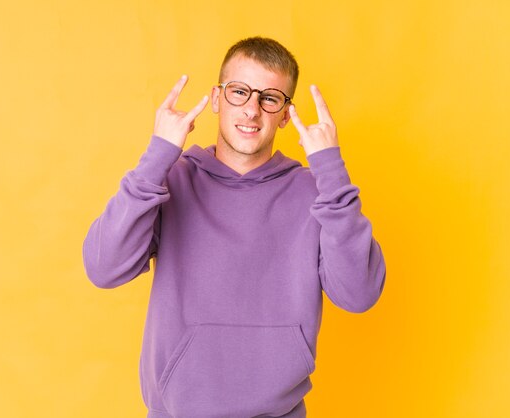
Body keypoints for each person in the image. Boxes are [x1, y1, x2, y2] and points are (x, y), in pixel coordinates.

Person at [83, 36, 386, 418]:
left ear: (285, 113)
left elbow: (359, 294)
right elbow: (104, 268)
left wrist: (331, 170)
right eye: (239, 92)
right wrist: (156, 156)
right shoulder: (170, 181)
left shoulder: (317, 191)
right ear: (216, 99)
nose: (252, 110)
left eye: (270, 98)